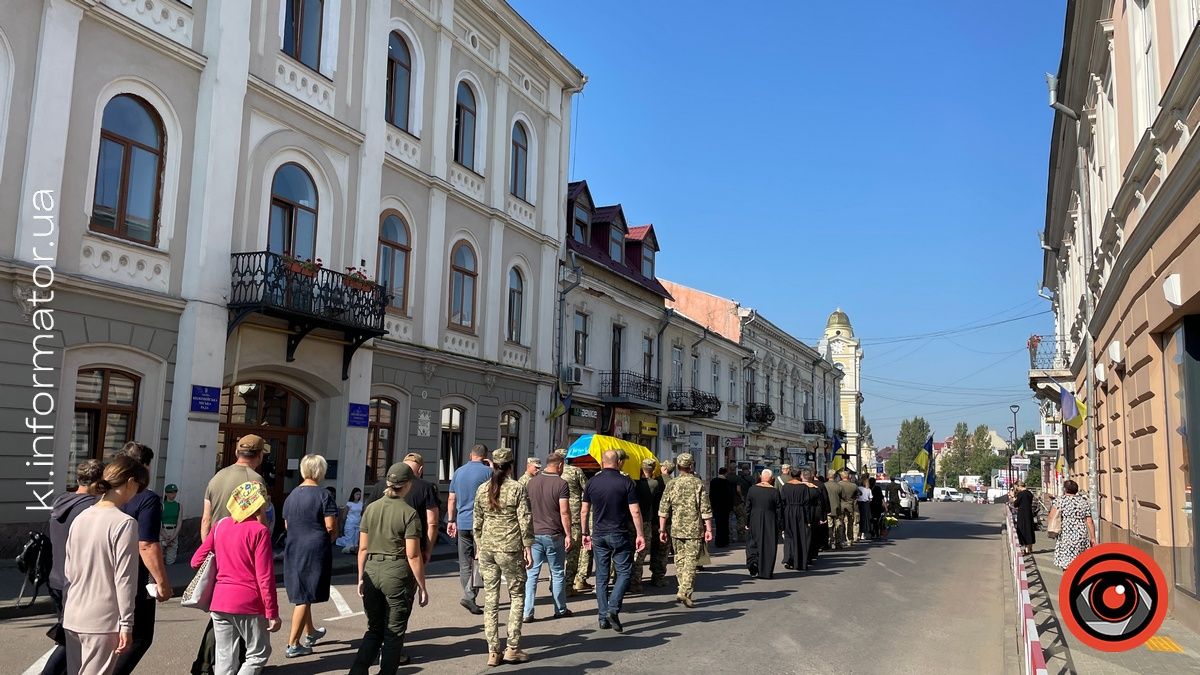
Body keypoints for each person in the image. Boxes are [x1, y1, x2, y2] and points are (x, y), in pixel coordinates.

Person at [193, 434, 270, 675]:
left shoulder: (217, 477)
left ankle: (205, 666)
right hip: (244, 557)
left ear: (237, 452)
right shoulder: (255, 480)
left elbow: (206, 518)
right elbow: (260, 519)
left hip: (218, 550)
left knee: (221, 621)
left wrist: (209, 554)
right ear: (258, 455)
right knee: (245, 630)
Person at [63, 455, 147, 675]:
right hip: (103, 619)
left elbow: (69, 570)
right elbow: (125, 579)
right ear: (130, 482)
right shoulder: (125, 523)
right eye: (138, 486)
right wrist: (127, 624)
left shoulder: (81, 517)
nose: (136, 493)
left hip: (73, 613)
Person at [350, 462, 428, 674]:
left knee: (374, 630)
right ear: (407, 485)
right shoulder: (409, 513)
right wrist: (422, 586)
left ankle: (357, 671)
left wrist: (360, 578)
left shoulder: (371, 509)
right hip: (396, 573)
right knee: (393, 633)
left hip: (372, 571)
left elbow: (363, 548)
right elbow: (413, 554)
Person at [113, 442, 171, 675]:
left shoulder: (105, 493)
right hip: (133, 578)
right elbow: (146, 545)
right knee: (139, 638)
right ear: (145, 467)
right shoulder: (147, 498)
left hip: (103, 573)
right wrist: (162, 582)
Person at [473, 448, 534, 667]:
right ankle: (512, 648)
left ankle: (492, 651)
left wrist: (479, 546)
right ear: (510, 465)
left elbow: (476, 521)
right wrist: (528, 548)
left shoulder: (482, 489)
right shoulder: (517, 488)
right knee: (517, 596)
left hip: (488, 547)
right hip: (509, 548)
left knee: (491, 599)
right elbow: (525, 520)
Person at [43, 460, 104, 675]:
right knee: (72, 640)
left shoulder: (60, 501)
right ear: (99, 483)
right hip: (75, 582)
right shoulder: (90, 509)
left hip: (56, 578)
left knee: (70, 637)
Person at [281, 454, 338, 658]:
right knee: (304, 596)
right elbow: (330, 525)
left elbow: (287, 525)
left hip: (293, 547)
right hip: (314, 548)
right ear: (320, 471)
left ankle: (311, 631)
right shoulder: (324, 495)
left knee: (304, 591)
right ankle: (293, 644)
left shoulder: (292, 495)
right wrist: (330, 538)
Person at [582, 450, 645, 632]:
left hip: (599, 534)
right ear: (618, 462)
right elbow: (634, 511)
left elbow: (584, 511)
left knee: (601, 576)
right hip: (619, 533)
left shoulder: (592, 482)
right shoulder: (626, 482)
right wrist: (640, 534)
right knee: (624, 572)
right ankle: (613, 608)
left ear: (602, 463)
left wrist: (585, 532)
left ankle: (602, 617)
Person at [658, 453, 713, 608]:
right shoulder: (698, 484)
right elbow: (705, 508)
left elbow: (663, 509)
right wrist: (708, 528)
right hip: (694, 529)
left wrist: (662, 529)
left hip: (676, 528)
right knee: (691, 561)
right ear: (691, 466)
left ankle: (683, 589)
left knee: (680, 559)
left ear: (678, 466)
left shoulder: (672, 484)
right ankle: (684, 590)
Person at [523, 453, 573, 622]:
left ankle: (527, 612)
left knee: (532, 573)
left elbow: (526, 509)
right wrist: (569, 534)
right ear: (559, 465)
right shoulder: (561, 484)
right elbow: (564, 511)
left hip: (534, 533)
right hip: (554, 534)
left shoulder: (532, 482)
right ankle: (560, 609)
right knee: (557, 572)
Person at [447, 443, 491, 615]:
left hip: (462, 522)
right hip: (481, 524)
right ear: (484, 456)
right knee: (479, 561)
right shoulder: (488, 472)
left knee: (465, 564)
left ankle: (468, 595)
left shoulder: (458, 472)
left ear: (470, 455)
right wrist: (493, 467)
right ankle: (469, 596)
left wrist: (451, 520)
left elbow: (451, 499)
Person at [557, 448, 590, 596]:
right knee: (572, 554)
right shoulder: (576, 471)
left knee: (557, 554)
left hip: (555, 516)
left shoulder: (552, 472)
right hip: (574, 515)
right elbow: (587, 489)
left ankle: (555, 585)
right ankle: (568, 586)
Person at [633, 459, 667, 590]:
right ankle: (636, 582)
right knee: (641, 551)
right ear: (652, 470)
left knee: (631, 551)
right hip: (647, 520)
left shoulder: (634, 483)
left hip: (632, 520)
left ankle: (626, 578)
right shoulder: (655, 483)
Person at [401, 453, 441, 563]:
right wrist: (428, 550)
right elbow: (432, 522)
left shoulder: (382, 485)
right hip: (414, 545)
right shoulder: (426, 487)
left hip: (383, 547)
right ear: (421, 469)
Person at [1051, 480, 1096, 569]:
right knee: (1080, 562)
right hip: (1081, 534)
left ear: (1065, 489)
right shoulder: (1083, 501)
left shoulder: (1060, 501)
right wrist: (1093, 538)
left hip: (1066, 535)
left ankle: (1068, 581)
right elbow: (1089, 521)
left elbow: (1052, 516)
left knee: (1067, 564)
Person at [745, 469, 781, 579]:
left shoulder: (752, 489)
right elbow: (779, 509)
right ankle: (766, 571)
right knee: (768, 545)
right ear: (771, 479)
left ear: (761, 477)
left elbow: (747, 507)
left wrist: (747, 522)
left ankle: (753, 562)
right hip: (770, 519)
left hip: (754, 518)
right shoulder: (774, 491)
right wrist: (780, 524)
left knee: (753, 543)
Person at [709, 467, 737, 548]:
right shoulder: (727, 483)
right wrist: (731, 507)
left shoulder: (713, 481)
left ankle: (718, 541)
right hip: (725, 507)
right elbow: (731, 495)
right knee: (725, 524)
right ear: (726, 473)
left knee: (718, 524)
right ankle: (725, 541)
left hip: (717, 506)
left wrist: (712, 505)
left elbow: (711, 495)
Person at [336, 488, 364, 553]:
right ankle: (339, 541)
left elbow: (361, 513)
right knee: (349, 539)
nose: (358, 496)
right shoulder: (349, 504)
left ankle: (354, 548)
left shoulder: (360, 503)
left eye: (359, 495)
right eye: (357, 494)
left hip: (357, 523)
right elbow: (344, 515)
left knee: (355, 540)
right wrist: (342, 523)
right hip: (350, 522)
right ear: (353, 495)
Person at [1012, 482, 1036, 555]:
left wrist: (1013, 497)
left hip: (1022, 514)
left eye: (1017, 487)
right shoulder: (1030, 493)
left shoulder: (1021, 494)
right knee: (1029, 529)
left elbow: (1015, 504)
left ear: (1019, 486)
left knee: (1023, 530)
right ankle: (1030, 548)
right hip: (1029, 513)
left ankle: (1026, 549)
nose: (1017, 489)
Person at [161, 484, 181, 565]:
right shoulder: (162, 505)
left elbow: (179, 522)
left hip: (174, 531)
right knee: (159, 558)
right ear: (166, 493)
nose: (173, 494)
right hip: (163, 531)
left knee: (170, 561)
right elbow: (158, 521)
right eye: (170, 492)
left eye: (175, 492)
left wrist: (173, 536)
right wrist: (165, 536)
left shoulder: (179, 506)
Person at [732, 466, 753, 544]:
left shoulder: (739, 478)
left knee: (739, 518)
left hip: (738, 500)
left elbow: (738, 489)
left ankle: (734, 535)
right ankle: (742, 535)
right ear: (748, 470)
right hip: (746, 499)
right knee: (743, 518)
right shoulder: (751, 478)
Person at [814, 474, 833, 552]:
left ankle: (816, 544)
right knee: (823, 527)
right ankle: (823, 544)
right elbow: (825, 498)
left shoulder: (806, 484)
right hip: (821, 509)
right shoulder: (821, 484)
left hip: (812, 509)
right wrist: (828, 509)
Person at [856, 477, 872, 542]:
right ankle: (863, 534)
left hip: (859, 504)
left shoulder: (858, 488)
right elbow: (870, 498)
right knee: (865, 519)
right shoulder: (868, 490)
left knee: (859, 518)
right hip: (866, 504)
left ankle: (858, 534)